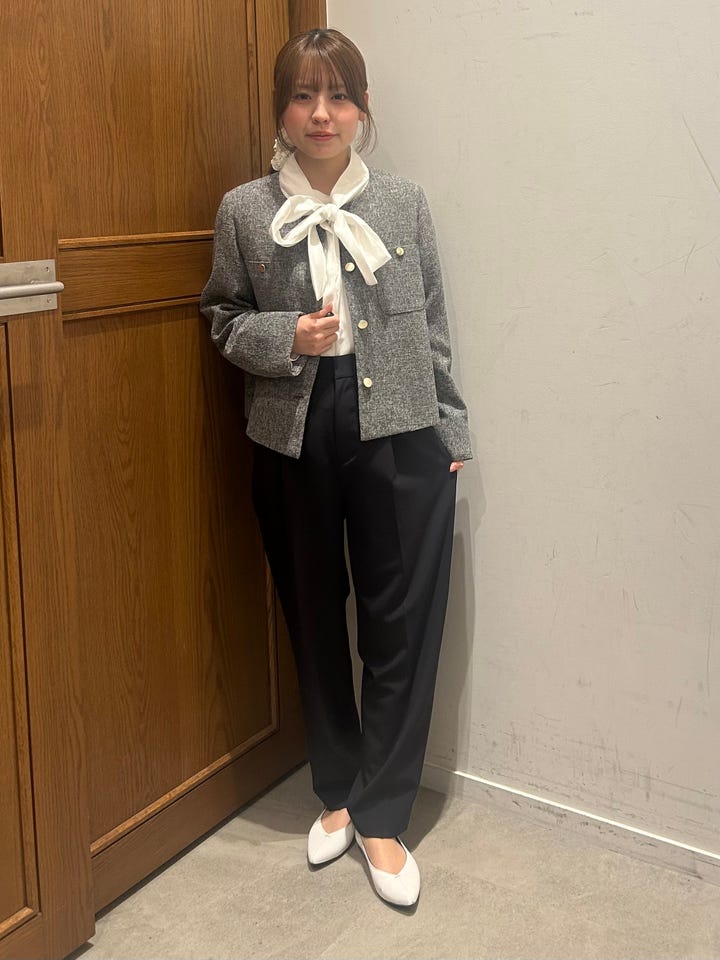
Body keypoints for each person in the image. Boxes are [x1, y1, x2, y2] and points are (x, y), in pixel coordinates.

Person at [200, 27, 471, 908]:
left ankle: (383, 811)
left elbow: (431, 323)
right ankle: (338, 789)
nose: (322, 113)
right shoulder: (245, 210)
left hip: (401, 430)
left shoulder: (402, 201)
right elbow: (221, 318)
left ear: (362, 107)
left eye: (339, 95)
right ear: (282, 109)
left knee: (400, 624)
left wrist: (451, 430)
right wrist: (290, 336)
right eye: (304, 95)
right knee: (313, 615)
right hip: (292, 435)